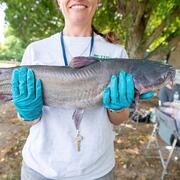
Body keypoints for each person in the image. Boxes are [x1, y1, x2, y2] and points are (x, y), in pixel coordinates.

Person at [11, 0, 153, 179]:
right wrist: (27, 112)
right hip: (40, 169)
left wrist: (117, 107)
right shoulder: (35, 50)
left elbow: (119, 119)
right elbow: (26, 119)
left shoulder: (116, 54)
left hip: (97, 171)